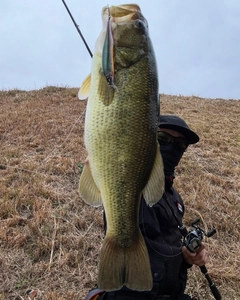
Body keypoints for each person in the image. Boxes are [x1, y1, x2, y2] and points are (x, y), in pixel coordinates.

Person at [85, 115, 208, 300]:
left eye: (181, 144)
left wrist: (186, 257)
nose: (173, 147)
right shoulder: (129, 179)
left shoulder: (175, 198)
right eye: (163, 139)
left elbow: (165, 243)